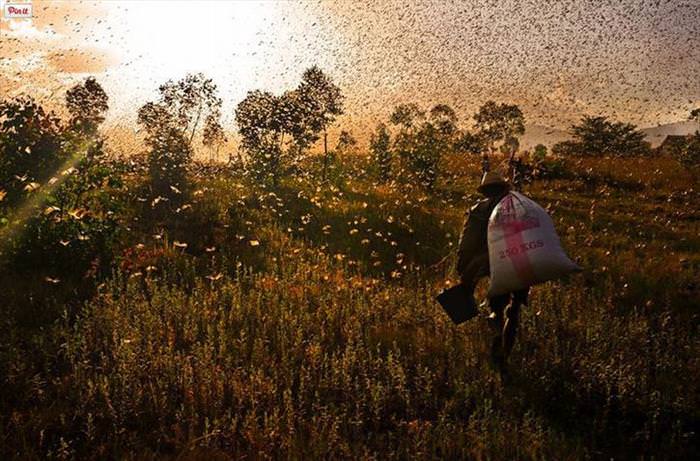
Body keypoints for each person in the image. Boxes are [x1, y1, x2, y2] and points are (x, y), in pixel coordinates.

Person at [456, 171, 529, 375]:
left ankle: (496, 326)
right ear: (505, 189)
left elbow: (467, 241)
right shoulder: (519, 207)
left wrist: (463, 267)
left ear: (486, 191)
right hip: (518, 261)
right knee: (514, 309)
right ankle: (504, 354)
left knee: (497, 306)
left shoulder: (479, 209)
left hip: (489, 262)